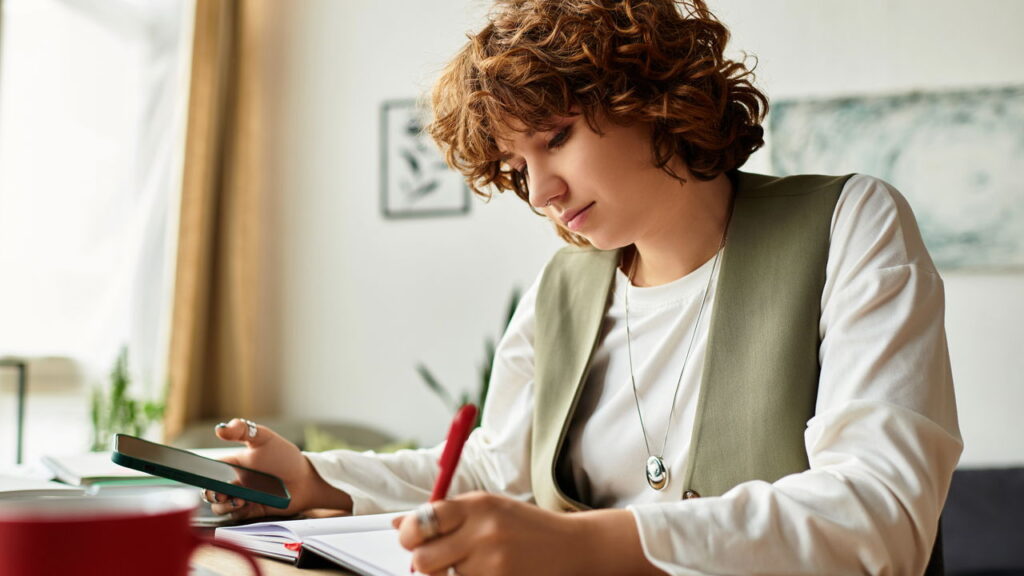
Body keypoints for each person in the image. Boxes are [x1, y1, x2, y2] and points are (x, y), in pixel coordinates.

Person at [203, 1, 962, 574]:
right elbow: (494, 469)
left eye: (556, 137)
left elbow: (882, 513)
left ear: (651, 96)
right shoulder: (563, 289)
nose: (539, 191)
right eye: (516, 165)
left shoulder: (848, 224)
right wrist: (314, 479)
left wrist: (582, 544)